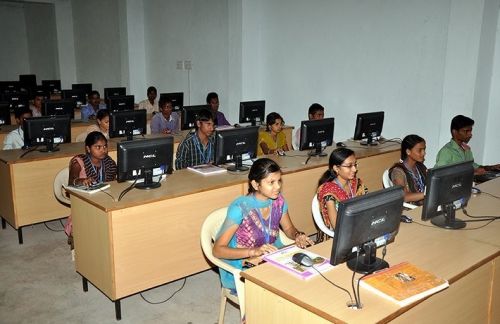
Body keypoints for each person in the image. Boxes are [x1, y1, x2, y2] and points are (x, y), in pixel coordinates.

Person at [213, 158, 314, 292]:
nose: (277, 186)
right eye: (271, 182)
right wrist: (253, 251)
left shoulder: (279, 201)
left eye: (279, 181)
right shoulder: (241, 207)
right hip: (245, 264)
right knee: (285, 289)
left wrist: (298, 235)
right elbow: (218, 250)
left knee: (305, 278)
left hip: (272, 257)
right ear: (255, 184)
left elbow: (289, 228)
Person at [66, 131, 117, 245]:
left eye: (104, 147)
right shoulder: (79, 162)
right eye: (97, 147)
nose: (103, 150)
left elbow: (114, 183)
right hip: (84, 201)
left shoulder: (109, 162)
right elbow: (71, 181)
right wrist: (81, 181)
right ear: (88, 149)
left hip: (104, 198)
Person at [316, 148, 367, 242]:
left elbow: (368, 207)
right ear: (336, 168)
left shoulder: (357, 184)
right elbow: (337, 226)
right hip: (337, 238)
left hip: (358, 229)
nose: (355, 169)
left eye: (355, 164)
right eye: (349, 166)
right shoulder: (329, 192)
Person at [435, 115, 500, 175]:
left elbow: (473, 165)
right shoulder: (446, 151)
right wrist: (473, 172)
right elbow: (440, 174)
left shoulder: (466, 149)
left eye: (470, 131)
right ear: (455, 132)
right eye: (466, 131)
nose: (470, 134)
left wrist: (491, 167)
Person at [389, 134, 427, 205]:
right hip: (410, 210)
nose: (424, 153)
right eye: (420, 150)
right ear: (408, 152)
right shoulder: (398, 172)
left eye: (424, 149)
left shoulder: (420, 167)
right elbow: (404, 196)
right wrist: (427, 194)